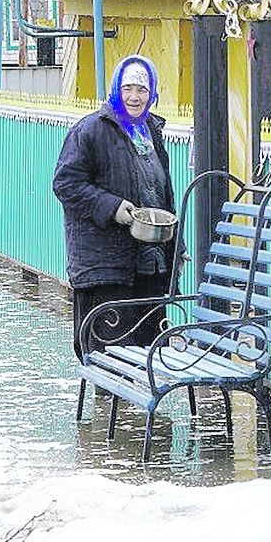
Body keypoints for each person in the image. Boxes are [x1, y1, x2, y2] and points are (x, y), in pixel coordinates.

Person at [53, 54, 177, 361]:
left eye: (142, 89)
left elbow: (161, 193)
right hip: (106, 268)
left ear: (152, 93)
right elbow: (66, 184)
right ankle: (109, 394)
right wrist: (112, 207)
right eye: (128, 88)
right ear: (116, 90)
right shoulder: (91, 130)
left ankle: (140, 397)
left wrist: (176, 246)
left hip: (149, 265)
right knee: (108, 358)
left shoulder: (151, 131)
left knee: (150, 356)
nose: (135, 97)